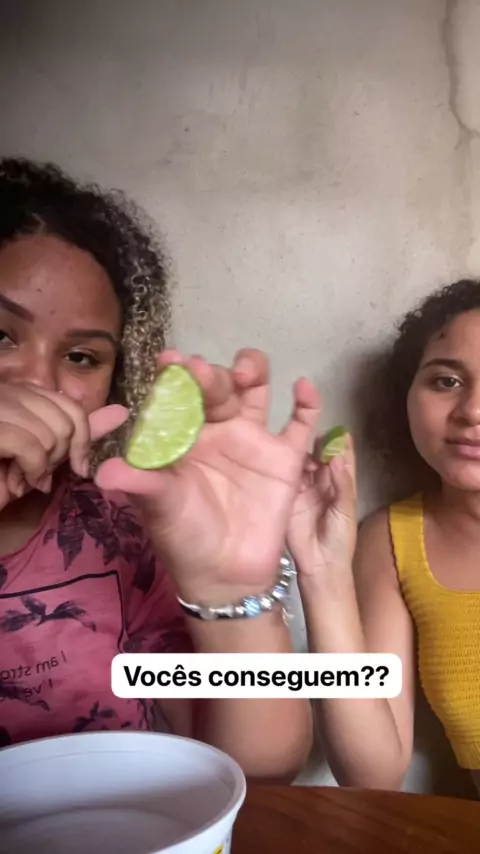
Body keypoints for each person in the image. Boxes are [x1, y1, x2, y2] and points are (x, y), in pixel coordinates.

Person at [0, 156, 320, 781]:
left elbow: (259, 770)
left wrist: (231, 597)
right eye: (0, 335)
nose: (38, 381)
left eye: (82, 356)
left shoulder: (120, 531)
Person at [287, 279, 480, 795]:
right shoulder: (393, 543)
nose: (472, 411)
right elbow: (372, 773)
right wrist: (323, 574)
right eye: (447, 381)